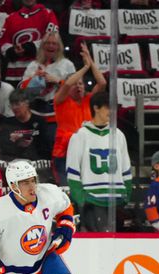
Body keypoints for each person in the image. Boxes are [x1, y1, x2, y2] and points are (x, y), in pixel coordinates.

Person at [65, 91, 132, 232]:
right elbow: (72, 171)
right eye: (108, 107)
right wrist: (81, 198)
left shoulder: (118, 135)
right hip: (92, 200)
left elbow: (126, 168)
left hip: (116, 200)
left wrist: (127, 193)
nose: (112, 111)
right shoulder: (80, 136)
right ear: (96, 108)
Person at [51, 43, 105, 185]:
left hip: (85, 152)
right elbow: (68, 84)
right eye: (76, 84)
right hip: (64, 153)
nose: (79, 86)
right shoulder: (61, 100)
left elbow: (102, 82)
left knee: (85, 190)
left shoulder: (89, 100)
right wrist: (85, 68)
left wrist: (90, 62)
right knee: (66, 190)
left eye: (81, 84)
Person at [0, 0, 59, 84]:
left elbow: (52, 39)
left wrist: (27, 48)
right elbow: (3, 43)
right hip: (14, 75)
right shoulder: (11, 17)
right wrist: (13, 50)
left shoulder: (47, 14)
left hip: (41, 73)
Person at [18, 30, 74, 123]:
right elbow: (21, 90)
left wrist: (58, 81)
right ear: (42, 46)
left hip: (57, 112)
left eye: (54, 43)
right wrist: (33, 79)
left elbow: (75, 91)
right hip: (34, 111)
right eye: (47, 43)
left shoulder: (67, 65)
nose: (50, 46)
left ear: (59, 47)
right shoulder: (33, 65)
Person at [0, 89, 52, 165]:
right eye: (12, 105)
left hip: (36, 163)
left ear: (26, 103)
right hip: (14, 162)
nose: (14, 108)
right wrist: (17, 144)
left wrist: (31, 144)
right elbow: (3, 148)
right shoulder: (8, 123)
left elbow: (46, 147)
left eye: (17, 104)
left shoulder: (40, 122)